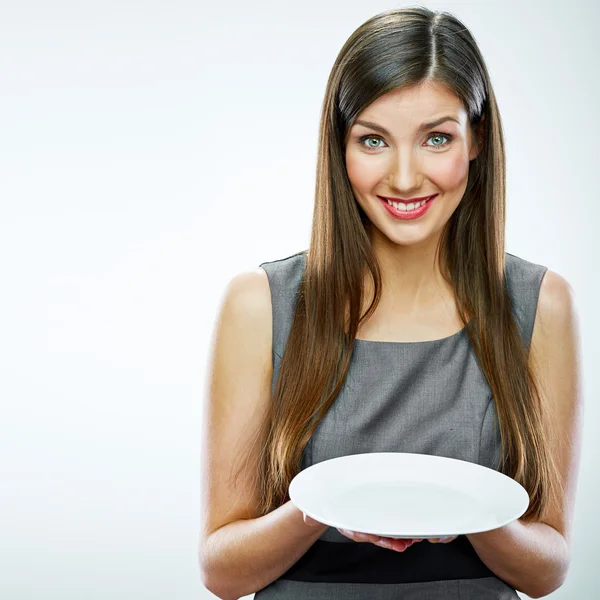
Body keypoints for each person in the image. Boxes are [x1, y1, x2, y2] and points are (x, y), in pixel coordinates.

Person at [198, 6, 582, 599]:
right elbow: (221, 570)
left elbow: (548, 570)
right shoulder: (261, 304)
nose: (405, 179)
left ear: (476, 139)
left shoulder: (540, 304)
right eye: (373, 140)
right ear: (339, 148)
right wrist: (322, 506)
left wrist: (473, 512)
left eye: (436, 138)